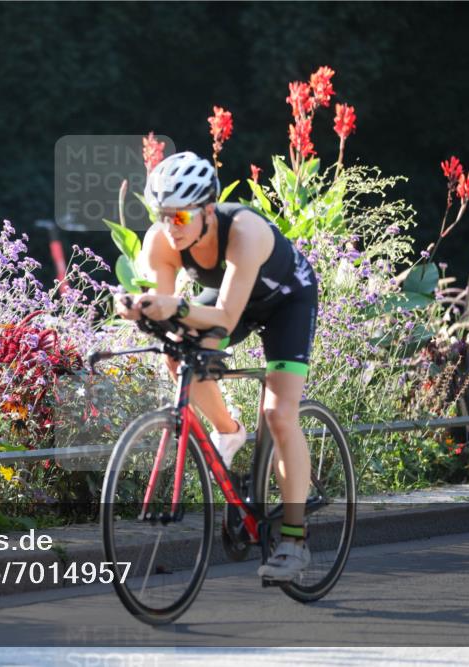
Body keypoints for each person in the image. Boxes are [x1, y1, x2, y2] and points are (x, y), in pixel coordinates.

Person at [114, 151, 319, 581]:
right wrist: (140, 308)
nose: (171, 228)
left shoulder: (245, 231)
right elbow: (169, 313)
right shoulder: (161, 239)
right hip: (236, 303)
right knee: (176, 350)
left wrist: (176, 305)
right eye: (162, 216)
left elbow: (224, 316)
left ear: (208, 210)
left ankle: (295, 541)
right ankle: (229, 431)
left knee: (279, 415)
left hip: (286, 302)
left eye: (182, 218)